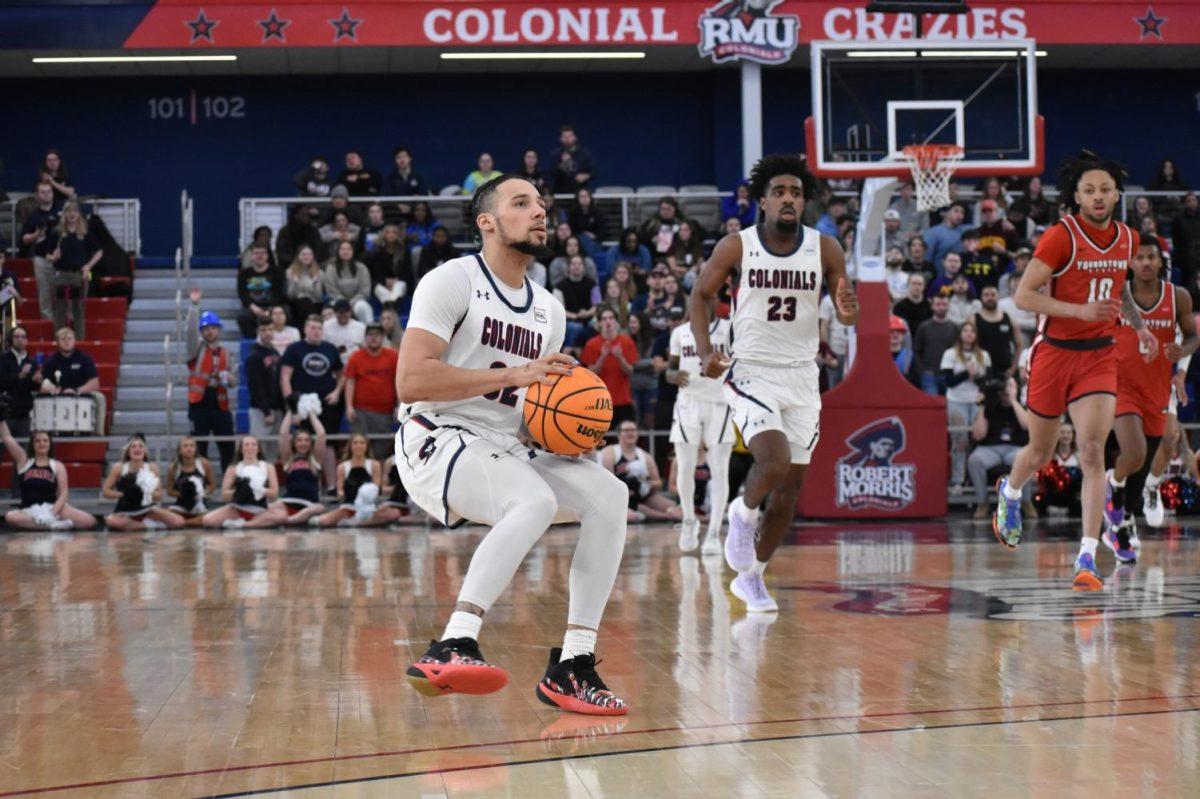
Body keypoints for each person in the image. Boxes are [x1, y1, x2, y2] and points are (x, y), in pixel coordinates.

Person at [395, 173, 628, 714]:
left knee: (608, 496)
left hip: (503, 444)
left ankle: (573, 664)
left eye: (542, 204)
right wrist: (521, 376)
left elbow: (526, 407)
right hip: (435, 434)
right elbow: (412, 381)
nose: (540, 212)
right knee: (534, 500)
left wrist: (564, 433)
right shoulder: (451, 281)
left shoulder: (549, 309)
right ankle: (454, 641)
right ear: (488, 222)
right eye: (522, 203)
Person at [689, 153, 859, 613]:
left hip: (803, 375)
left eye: (796, 193)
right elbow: (700, 296)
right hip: (752, 369)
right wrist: (706, 353)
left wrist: (847, 309)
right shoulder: (736, 246)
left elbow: (847, 313)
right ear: (762, 201)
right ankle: (742, 513)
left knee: (789, 493)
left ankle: (752, 578)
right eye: (780, 192)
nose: (789, 199)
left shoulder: (825, 248)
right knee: (774, 460)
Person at [993, 150, 1157, 592]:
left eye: (1105, 189)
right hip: (1054, 352)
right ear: (1077, 197)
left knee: (1091, 452)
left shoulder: (1126, 237)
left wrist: (1139, 327)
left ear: (1117, 193)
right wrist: (1078, 310)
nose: (1099, 196)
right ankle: (1009, 492)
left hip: (1099, 354)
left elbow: (1119, 289)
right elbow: (1025, 296)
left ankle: (1086, 556)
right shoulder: (1060, 237)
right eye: (1090, 190)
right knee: (1041, 454)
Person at [1102, 237, 1197, 560]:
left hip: (1157, 388)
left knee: (1144, 463)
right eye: (1138, 257)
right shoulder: (1117, 293)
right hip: (1121, 383)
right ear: (1130, 262)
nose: (1144, 262)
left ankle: (1123, 518)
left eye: (1150, 257)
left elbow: (1193, 336)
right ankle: (1112, 488)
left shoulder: (1178, 296)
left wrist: (1180, 352)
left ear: (1160, 261)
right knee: (1134, 451)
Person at [668, 300, 732, 554]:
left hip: (720, 401)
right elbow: (670, 370)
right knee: (684, 467)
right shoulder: (679, 333)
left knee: (720, 470)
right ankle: (688, 520)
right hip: (688, 402)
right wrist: (673, 376)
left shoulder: (729, 329)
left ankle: (714, 532)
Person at [281, 316, 345, 485]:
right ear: (305, 329)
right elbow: (285, 377)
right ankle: (305, 483)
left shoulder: (330, 349)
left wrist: (337, 392)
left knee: (328, 443)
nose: (315, 331)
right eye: (312, 327)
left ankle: (331, 485)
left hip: (327, 405)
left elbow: (342, 375)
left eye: (318, 328)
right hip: (302, 405)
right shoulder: (294, 349)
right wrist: (292, 404)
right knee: (302, 443)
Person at [0, 420, 95, 531]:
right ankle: (52, 524)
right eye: (38, 441)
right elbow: (7, 438)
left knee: (90, 521)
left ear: (50, 444)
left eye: (45, 441)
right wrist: (2, 420)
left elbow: (63, 494)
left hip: (53, 507)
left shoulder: (57, 465)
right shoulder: (24, 461)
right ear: (33, 444)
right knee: (11, 517)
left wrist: (51, 513)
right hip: (29, 509)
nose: (42, 444)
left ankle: (47, 523)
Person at [186, 288, 236, 470]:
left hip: (220, 403)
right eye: (205, 329)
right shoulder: (196, 349)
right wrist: (194, 306)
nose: (209, 332)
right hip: (199, 403)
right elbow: (190, 331)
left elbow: (234, 381)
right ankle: (200, 483)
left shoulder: (226, 352)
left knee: (228, 447)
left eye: (213, 328)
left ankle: (229, 483)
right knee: (199, 447)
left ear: (219, 330)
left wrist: (228, 378)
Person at [968, 377, 1031, 518]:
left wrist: (1013, 401)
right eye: (1004, 387)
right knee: (974, 460)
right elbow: (978, 435)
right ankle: (982, 503)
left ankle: (1026, 501)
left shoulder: (1022, 406)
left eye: (1010, 386)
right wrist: (983, 405)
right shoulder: (990, 407)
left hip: (1015, 448)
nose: (1006, 390)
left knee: (1026, 459)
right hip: (990, 449)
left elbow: (1027, 425)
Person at [600, 421, 684, 523]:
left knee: (677, 510)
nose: (630, 433)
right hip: (618, 496)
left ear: (638, 433)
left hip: (641, 495)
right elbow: (605, 482)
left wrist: (644, 484)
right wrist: (625, 487)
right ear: (619, 434)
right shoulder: (610, 453)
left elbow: (658, 483)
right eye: (626, 430)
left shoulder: (645, 456)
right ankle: (661, 516)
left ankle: (650, 513)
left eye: (633, 430)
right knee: (630, 516)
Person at [942, 321, 992, 488]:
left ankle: (974, 478)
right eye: (965, 330)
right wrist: (966, 373)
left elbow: (988, 382)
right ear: (960, 334)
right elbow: (949, 381)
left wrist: (976, 376)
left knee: (977, 439)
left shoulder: (983, 355)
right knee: (959, 441)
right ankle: (958, 479)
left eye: (972, 331)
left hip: (976, 401)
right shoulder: (950, 354)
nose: (969, 333)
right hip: (957, 400)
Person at [316, 432, 402, 527]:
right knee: (324, 521)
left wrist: (365, 493)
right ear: (350, 446)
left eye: (362, 443)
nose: (359, 446)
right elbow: (340, 492)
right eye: (355, 443)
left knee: (395, 513)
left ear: (366, 446)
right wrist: (349, 492)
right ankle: (360, 521)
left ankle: (358, 523)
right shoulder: (342, 466)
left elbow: (376, 489)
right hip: (349, 506)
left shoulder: (374, 465)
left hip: (368, 507)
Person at [102, 434, 186, 531]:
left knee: (179, 521)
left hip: (147, 510)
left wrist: (143, 494)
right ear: (128, 452)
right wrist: (124, 494)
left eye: (140, 446)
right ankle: (149, 525)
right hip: (125, 511)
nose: (137, 449)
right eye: (133, 447)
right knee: (111, 521)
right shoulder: (119, 467)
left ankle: (137, 526)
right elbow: (105, 491)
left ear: (145, 452)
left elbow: (159, 495)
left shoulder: (152, 468)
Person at [202, 435, 285, 529]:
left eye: (254, 444)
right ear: (241, 449)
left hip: (260, 510)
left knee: (280, 516)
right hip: (237, 509)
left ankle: (243, 525)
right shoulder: (233, 468)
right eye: (246, 445)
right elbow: (224, 494)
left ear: (258, 449)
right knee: (208, 520)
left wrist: (257, 489)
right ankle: (251, 523)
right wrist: (239, 491)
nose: (250, 447)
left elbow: (274, 493)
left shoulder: (268, 467)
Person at [45, 199, 100, 339]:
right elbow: (46, 254)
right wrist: (53, 257)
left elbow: (99, 252)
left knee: (78, 309)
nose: (71, 214)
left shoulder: (85, 233)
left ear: (79, 214)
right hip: (61, 274)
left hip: (78, 275)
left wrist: (88, 266)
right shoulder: (56, 233)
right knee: (60, 309)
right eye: (68, 211)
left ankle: (79, 339)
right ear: (64, 214)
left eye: (75, 211)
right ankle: (60, 338)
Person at [345, 322, 398, 461]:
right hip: (360, 411)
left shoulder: (393, 356)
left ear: (382, 337)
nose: (373, 338)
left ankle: (378, 480)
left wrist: (399, 405)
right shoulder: (355, 357)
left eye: (377, 335)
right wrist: (349, 406)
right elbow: (350, 381)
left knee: (381, 450)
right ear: (365, 338)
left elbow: (397, 381)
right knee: (359, 447)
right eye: (370, 335)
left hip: (384, 412)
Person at [39, 328, 106, 434]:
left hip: (81, 397)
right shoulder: (51, 361)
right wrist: (56, 390)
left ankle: (98, 433)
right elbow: (43, 384)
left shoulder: (85, 358)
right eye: (63, 339)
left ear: (75, 340)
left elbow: (95, 383)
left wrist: (76, 390)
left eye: (70, 338)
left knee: (100, 398)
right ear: (58, 342)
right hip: (57, 399)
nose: (67, 342)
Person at [581, 307, 639, 426]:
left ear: (616, 322)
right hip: (599, 402)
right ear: (599, 323)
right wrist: (602, 356)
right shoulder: (591, 344)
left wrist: (620, 357)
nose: (608, 321)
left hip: (623, 400)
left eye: (611, 318)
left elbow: (630, 372)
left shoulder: (627, 342)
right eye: (604, 319)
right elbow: (590, 374)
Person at [270, 407, 327, 526]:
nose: (303, 443)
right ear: (294, 443)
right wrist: (291, 410)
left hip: (310, 505)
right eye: (299, 440)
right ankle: (290, 520)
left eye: (306, 440)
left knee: (320, 508)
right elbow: (283, 434)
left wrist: (311, 412)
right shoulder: (288, 460)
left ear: (311, 443)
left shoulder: (315, 459)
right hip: (289, 501)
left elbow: (321, 435)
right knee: (269, 507)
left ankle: (287, 521)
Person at [245, 318, 285, 461]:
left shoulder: (275, 352)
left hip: (277, 409)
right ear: (258, 332)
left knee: (273, 451)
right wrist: (266, 411)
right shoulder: (253, 356)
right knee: (257, 449)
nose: (267, 333)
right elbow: (256, 386)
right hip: (261, 411)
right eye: (263, 330)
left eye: (270, 329)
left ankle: (269, 480)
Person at [19, 183, 61, 320]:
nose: (46, 194)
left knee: (63, 295)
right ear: (37, 195)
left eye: (49, 191)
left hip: (62, 260)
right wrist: (36, 234)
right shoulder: (33, 217)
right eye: (43, 192)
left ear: (53, 194)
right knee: (45, 296)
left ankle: (64, 328)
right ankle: (49, 326)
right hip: (42, 259)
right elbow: (24, 239)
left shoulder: (62, 213)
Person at [0, 326, 41, 438]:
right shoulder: (3, 359)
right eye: (17, 336)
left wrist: (36, 382)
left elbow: (34, 389)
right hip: (5, 414)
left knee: (23, 449)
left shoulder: (32, 362)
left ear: (27, 340)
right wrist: (20, 376)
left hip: (24, 413)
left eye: (23, 337)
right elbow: (2, 383)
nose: (20, 339)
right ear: (11, 339)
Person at [973, 285, 1022, 379]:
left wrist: (1013, 368)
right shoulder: (974, 319)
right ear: (981, 298)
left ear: (998, 296)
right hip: (982, 369)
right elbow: (968, 344)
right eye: (986, 295)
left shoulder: (1008, 318)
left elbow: (1019, 344)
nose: (989, 298)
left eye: (993, 295)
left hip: (1005, 370)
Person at [237, 243, 285, 337]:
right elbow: (243, 294)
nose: (260, 256)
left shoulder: (277, 271)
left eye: (263, 253)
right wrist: (254, 308)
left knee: (285, 313)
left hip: (272, 305)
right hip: (252, 306)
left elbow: (278, 293)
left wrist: (270, 309)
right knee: (243, 317)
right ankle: (255, 340)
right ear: (252, 256)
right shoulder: (244, 273)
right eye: (256, 253)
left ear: (267, 256)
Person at [165, 436, 215, 525]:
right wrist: (185, 494)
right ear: (179, 450)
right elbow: (169, 490)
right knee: (166, 514)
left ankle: (184, 523)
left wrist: (201, 493)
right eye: (185, 446)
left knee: (210, 518)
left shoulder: (204, 464)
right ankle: (189, 522)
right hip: (181, 505)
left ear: (196, 449)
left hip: (200, 505)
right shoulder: (173, 467)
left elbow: (212, 485)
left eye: (192, 446)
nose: (189, 448)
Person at [322, 240, 373, 323]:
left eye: (348, 249)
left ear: (353, 251)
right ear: (338, 252)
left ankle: (370, 331)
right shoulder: (331, 268)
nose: (345, 251)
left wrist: (352, 302)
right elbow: (331, 290)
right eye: (342, 249)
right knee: (333, 311)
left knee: (363, 307)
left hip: (357, 301)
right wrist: (344, 302)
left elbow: (365, 290)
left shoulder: (362, 267)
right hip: (336, 300)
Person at [285, 244, 325, 326]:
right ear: (298, 256)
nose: (306, 257)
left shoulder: (320, 272)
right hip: (297, 304)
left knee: (307, 302)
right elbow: (291, 296)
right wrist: (295, 283)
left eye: (309, 254)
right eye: (303, 254)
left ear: (313, 256)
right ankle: (315, 324)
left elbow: (319, 296)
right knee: (305, 301)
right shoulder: (290, 271)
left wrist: (315, 282)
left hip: (315, 304)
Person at [549, 124, 596, 193]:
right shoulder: (556, 154)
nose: (567, 139)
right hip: (561, 193)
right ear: (560, 139)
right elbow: (552, 174)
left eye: (570, 136)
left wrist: (585, 176)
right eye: (565, 137)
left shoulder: (583, 154)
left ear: (575, 137)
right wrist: (562, 165)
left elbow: (594, 171)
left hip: (579, 194)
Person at [922, 202, 966, 273]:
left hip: (959, 279)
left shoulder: (965, 232)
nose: (959, 215)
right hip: (939, 277)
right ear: (946, 213)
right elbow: (927, 258)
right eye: (956, 211)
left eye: (962, 212)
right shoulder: (933, 233)